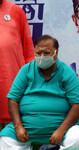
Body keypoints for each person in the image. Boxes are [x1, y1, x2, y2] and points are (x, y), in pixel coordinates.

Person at [0, 35, 79, 150]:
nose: (42, 57)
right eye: (38, 53)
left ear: (56, 53)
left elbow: (78, 106)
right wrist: (18, 126)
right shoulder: (26, 70)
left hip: (62, 126)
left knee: (77, 141)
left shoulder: (66, 72)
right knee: (6, 140)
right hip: (27, 126)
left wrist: (61, 130)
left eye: (46, 53)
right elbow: (13, 100)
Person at [0, 0, 35, 130]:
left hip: (12, 84)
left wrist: (31, 80)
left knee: (12, 139)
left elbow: (29, 51)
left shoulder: (16, 11)